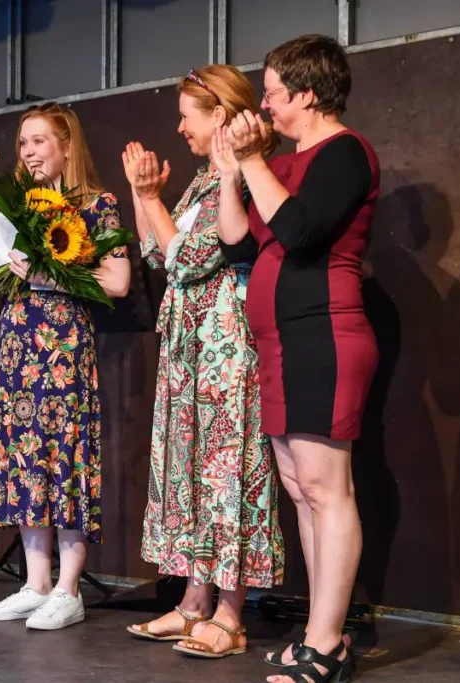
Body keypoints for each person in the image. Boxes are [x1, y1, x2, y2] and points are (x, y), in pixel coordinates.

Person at [218, 34, 380, 683]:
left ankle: (326, 642)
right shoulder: (277, 166)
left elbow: (302, 232)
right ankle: (322, 631)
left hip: (326, 337)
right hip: (281, 344)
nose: (264, 104)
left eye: (273, 92)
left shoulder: (346, 152)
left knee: (326, 487)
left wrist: (255, 159)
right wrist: (234, 166)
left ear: (307, 94)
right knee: (300, 488)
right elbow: (237, 243)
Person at [122, 65, 284, 659]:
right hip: (187, 348)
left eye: (188, 114)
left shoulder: (236, 179)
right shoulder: (198, 182)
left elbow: (188, 257)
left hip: (225, 347)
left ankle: (233, 613)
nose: (179, 126)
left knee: (226, 470)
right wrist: (148, 200)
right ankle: (194, 603)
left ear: (219, 115)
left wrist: (146, 198)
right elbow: (156, 255)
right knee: (190, 472)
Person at [0, 103, 130, 630]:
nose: (28, 152)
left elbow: (117, 282)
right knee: (24, 461)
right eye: (23, 143)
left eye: (39, 141)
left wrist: (56, 270)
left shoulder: (98, 204)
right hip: (17, 352)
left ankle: (69, 590)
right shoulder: (16, 206)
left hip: (63, 351)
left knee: (63, 460)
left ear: (66, 146)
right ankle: (36, 583)